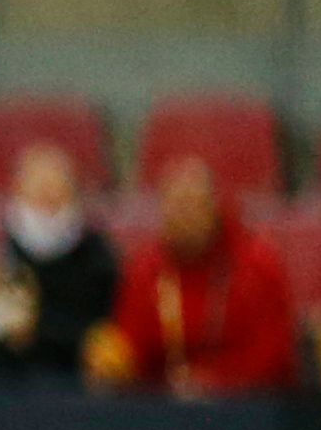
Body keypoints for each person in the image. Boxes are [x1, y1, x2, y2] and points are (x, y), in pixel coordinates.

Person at [88, 156, 299, 396]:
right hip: (164, 406)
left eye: (193, 206)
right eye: (176, 207)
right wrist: (113, 363)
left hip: (246, 406)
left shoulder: (257, 264)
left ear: (214, 207)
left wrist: (215, 382)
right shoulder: (146, 268)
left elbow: (275, 353)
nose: (185, 218)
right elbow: (130, 346)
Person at [0, 143, 121, 386]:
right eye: (37, 188)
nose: (46, 196)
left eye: (55, 188)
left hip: (73, 398)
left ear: (74, 193)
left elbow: (105, 342)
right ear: (18, 191)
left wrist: (37, 331)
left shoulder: (99, 263)